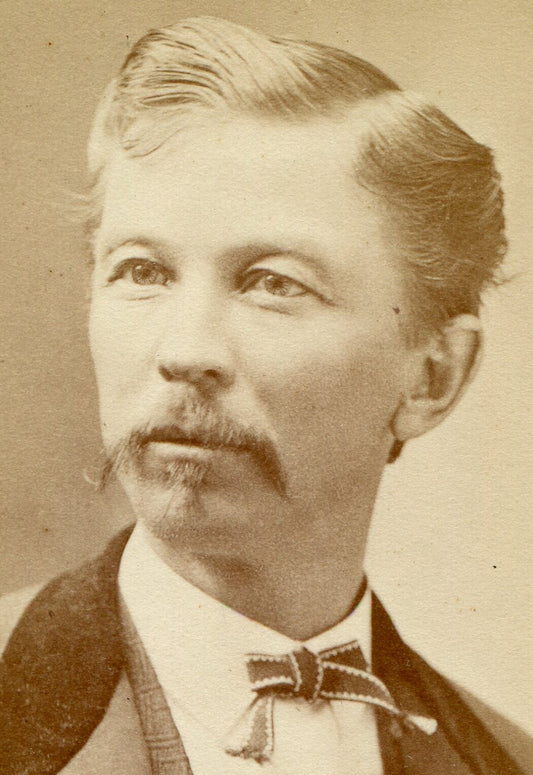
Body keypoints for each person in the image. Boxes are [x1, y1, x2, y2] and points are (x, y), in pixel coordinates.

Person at [0, 16, 530, 775]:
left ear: (432, 376)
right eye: (141, 270)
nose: (185, 351)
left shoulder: (501, 758)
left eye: (272, 284)